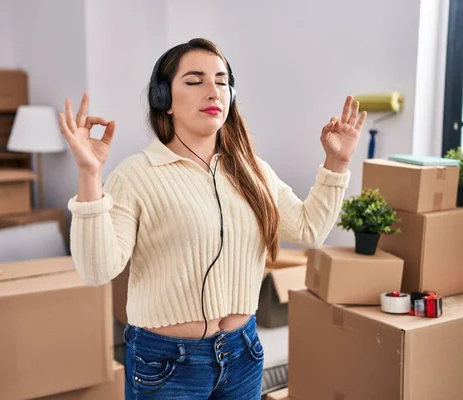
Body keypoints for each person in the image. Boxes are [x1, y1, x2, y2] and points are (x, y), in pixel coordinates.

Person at [59, 38, 366, 399]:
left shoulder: (253, 171)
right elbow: (97, 271)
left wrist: (338, 163)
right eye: (194, 81)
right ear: (164, 100)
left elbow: (309, 230)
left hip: (242, 352)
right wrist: (89, 174)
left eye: (221, 81)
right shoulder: (136, 175)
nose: (213, 91)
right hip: (166, 363)